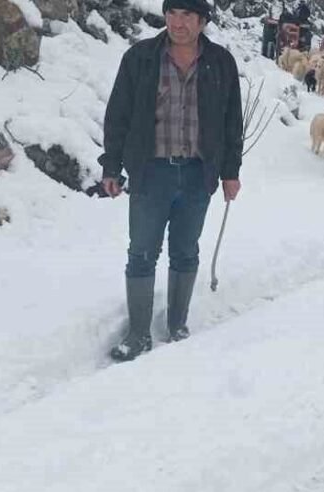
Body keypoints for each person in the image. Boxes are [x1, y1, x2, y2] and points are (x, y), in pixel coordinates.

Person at [99, 0, 244, 362]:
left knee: (185, 250)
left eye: (187, 15)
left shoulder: (220, 62)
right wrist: (111, 166)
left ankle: (178, 325)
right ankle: (138, 334)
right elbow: (118, 115)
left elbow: (231, 122)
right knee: (141, 252)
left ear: (203, 21)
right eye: (172, 14)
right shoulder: (141, 58)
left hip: (198, 173)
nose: (178, 23)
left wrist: (230, 172)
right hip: (151, 172)